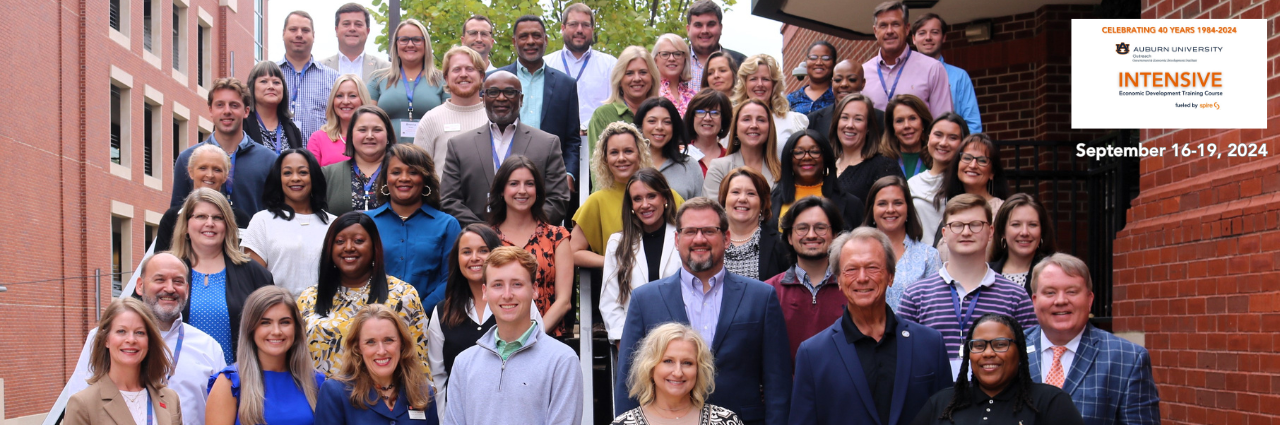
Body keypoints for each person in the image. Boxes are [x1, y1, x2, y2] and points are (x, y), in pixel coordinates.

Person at [616, 198, 791, 425]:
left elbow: (778, 381)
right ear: (677, 240)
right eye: (690, 231)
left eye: (709, 230)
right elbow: (628, 381)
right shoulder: (645, 299)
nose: (699, 239)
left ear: (726, 238)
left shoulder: (761, 297)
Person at [789, 228, 953, 425]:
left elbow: (946, 418)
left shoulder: (930, 344)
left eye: (872, 267)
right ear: (839, 280)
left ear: (891, 276)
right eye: (851, 269)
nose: (862, 278)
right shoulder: (813, 354)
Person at [50, 253, 226, 425]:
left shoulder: (209, 348)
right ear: (140, 286)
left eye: (178, 281)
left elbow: (224, 412)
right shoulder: (101, 338)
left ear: (187, 290)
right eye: (160, 279)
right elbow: (80, 400)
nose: (170, 288)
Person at [897, 194, 1037, 379]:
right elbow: (902, 356)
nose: (966, 232)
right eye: (957, 225)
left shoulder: (1015, 296)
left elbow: (1031, 357)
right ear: (945, 234)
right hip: (935, 401)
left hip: (998, 401)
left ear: (991, 231)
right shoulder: (916, 296)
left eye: (976, 224)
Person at [444, 247, 584, 424]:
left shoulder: (562, 360)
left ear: (534, 289)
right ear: (485, 292)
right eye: (498, 285)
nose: (507, 295)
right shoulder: (464, 363)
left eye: (517, 284)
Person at [1025, 254, 1161, 425]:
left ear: (1089, 300)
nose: (1060, 301)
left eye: (1071, 291)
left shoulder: (1128, 358)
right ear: (1035, 301)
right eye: (1050, 292)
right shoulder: (1011, 349)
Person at [425, 225, 543, 421]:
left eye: (483, 250)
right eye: (466, 252)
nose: (474, 258)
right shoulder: (442, 312)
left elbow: (540, 359)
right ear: (457, 259)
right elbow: (437, 378)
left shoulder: (520, 305)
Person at [296, 212, 428, 377]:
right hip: (320, 399)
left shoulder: (403, 296)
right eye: (340, 242)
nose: (349, 247)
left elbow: (418, 361)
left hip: (384, 400)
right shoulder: (309, 298)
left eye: (358, 241)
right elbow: (295, 360)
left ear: (374, 247)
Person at [439, 71, 570, 226]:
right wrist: (484, 233)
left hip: (529, 244)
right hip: (477, 243)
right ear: (483, 99)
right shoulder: (459, 146)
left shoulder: (547, 144)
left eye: (509, 92)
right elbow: (449, 200)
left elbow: (558, 199)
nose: (501, 98)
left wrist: (523, 230)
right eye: (493, 92)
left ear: (521, 99)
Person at [910, 313, 1084, 425]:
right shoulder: (942, 402)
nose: (988, 353)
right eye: (978, 346)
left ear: (1020, 352)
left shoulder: (1050, 402)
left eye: (1000, 344)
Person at [171, 188, 274, 364]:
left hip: (237, 381)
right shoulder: (167, 270)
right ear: (186, 225)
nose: (209, 223)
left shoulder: (255, 274)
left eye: (218, 218)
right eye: (201, 216)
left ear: (227, 226)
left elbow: (271, 327)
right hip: (180, 381)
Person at [205, 287, 325, 425]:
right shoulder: (229, 383)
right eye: (265, 322)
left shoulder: (317, 383)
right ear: (251, 329)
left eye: (285, 322)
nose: (276, 331)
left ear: (296, 328)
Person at [366, 144, 461, 315]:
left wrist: (416, 311)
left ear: (425, 179)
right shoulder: (367, 222)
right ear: (386, 179)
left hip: (429, 320)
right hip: (373, 319)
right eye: (396, 172)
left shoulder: (447, 224)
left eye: (413, 172)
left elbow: (451, 279)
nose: (404, 178)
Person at [571, 122, 678, 268]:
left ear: (640, 154)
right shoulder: (597, 201)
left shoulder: (666, 194)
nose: (621, 158)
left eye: (628, 151)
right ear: (605, 159)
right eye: (614, 152)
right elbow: (573, 252)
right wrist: (614, 263)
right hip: (620, 285)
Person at [486, 156, 572, 337]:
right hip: (499, 339)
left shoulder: (558, 237)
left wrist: (533, 335)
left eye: (530, 184)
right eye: (514, 184)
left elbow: (564, 300)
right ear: (502, 190)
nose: (522, 191)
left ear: (538, 190)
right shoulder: (487, 238)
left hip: (548, 338)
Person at [494, 15, 582, 190]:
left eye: (536, 35)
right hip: (502, 172)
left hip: (551, 176)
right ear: (514, 41)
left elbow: (572, 139)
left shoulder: (566, 84)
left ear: (546, 40)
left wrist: (569, 174)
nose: (530, 41)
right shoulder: (495, 80)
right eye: (523, 36)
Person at [314, 304, 439, 425]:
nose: (381, 351)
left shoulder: (423, 393)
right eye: (370, 342)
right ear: (357, 348)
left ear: (402, 343)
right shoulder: (335, 393)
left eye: (388, 340)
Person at [65, 298, 182, 425]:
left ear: (149, 341)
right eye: (121, 331)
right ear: (106, 340)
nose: (131, 340)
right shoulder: (83, 404)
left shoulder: (170, 399)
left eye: (139, 332)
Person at [171, 78, 278, 214]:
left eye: (234, 105)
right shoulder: (188, 158)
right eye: (220, 105)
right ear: (210, 110)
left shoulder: (269, 161)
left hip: (252, 235)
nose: (227, 111)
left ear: (246, 111)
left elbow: (276, 215)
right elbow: (176, 215)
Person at [600, 169, 683, 341]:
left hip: (680, 338)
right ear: (631, 205)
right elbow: (610, 301)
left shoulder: (683, 238)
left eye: (651, 196)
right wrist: (623, 342)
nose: (645, 204)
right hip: (634, 340)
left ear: (665, 198)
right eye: (637, 199)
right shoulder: (617, 243)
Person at [242, 149, 336, 297]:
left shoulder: (333, 224)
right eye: (287, 173)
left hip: (325, 315)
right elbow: (252, 280)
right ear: (278, 179)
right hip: (276, 313)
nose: (295, 178)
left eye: (303, 172)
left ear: (314, 177)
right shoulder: (262, 221)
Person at [763, 196, 845, 361]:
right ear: (789, 237)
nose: (811, 235)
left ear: (835, 235)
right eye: (802, 228)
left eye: (820, 227)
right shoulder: (768, 292)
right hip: (788, 386)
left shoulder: (851, 287)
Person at [612, 323, 743, 424]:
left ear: (698, 370)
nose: (678, 372)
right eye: (668, 361)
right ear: (651, 367)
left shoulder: (725, 420)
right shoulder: (624, 423)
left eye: (687, 363)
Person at [861, 1, 952, 120]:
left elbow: (943, 122)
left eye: (895, 24)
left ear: (907, 28)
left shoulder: (932, 69)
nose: (889, 31)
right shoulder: (863, 72)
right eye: (883, 25)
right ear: (875, 31)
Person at [861, 176, 941, 310]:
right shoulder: (856, 253)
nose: (890, 209)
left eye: (898, 203)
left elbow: (936, 308)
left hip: (915, 330)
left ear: (908, 208)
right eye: (882, 204)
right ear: (872, 210)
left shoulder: (928, 256)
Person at [155, 144, 253, 253]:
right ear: (191, 172)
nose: (210, 175)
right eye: (203, 168)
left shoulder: (240, 219)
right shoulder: (172, 218)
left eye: (217, 170)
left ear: (225, 176)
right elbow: (159, 262)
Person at [413, 46, 488, 179]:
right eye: (457, 69)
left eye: (470, 69)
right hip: (442, 199)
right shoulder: (431, 119)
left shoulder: (494, 117)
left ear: (481, 76)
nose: (463, 74)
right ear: (446, 78)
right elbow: (418, 172)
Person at [368, 19, 446, 144]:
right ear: (396, 44)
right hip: (387, 156)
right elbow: (366, 121)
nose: (410, 44)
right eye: (404, 39)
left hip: (429, 155)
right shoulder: (378, 79)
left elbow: (448, 121)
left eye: (416, 40)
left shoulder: (442, 80)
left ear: (426, 45)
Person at [545, 3, 620, 133]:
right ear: (563, 28)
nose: (579, 30)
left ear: (592, 29)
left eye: (585, 25)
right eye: (573, 24)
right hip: (556, 142)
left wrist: (588, 127)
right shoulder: (546, 64)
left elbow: (617, 106)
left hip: (599, 140)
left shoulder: (610, 65)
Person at [931, 132, 1009, 256]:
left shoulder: (1003, 212)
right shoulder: (949, 210)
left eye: (982, 160)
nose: (973, 165)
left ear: (992, 173)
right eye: (967, 158)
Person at [770, 130, 864, 229]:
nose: (806, 157)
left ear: (826, 158)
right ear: (788, 159)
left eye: (815, 152)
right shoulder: (769, 202)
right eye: (798, 152)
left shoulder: (852, 204)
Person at [911, 13, 982, 135]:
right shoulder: (904, 75)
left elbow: (973, 125)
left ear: (944, 37)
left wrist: (962, 151)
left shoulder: (960, 77)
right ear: (913, 38)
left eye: (934, 32)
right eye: (922, 33)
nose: (928, 37)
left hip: (949, 149)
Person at [906, 112, 968, 246]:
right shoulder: (912, 183)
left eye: (952, 137)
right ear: (928, 138)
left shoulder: (966, 183)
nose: (943, 143)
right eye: (938, 135)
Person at [586, 45, 660, 157]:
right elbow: (597, 166)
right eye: (629, 73)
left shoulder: (661, 113)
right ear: (619, 79)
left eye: (643, 72)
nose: (637, 78)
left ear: (652, 77)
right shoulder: (602, 116)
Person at [321, 105, 395, 216]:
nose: (369, 136)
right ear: (351, 135)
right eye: (362, 130)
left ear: (388, 135)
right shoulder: (327, 174)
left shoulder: (402, 173)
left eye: (377, 130)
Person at [716, 167, 787, 281]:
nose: (742, 199)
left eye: (751, 193)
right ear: (724, 199)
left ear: (762, 202)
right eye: (735, 192)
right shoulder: (709, 240)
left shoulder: (781, 244)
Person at [278, 11, 341, 139]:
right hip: (277, 156)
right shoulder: (269, 77)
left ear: (313, 35)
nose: (299, 35)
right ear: (283, 33)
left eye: (305, 30)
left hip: (319, 157)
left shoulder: (333, 79)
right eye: (293, 29)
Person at [829, 93, 901, 202]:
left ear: (868, 127)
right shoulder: (825, 165)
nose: (849, 125)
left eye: (858, 119)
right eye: (844, 117)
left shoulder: (884, 166)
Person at [703, 99, 780, 199]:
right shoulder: (719, 168)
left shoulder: (782, 171)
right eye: (746, 119)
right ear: (736, 127)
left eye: (761, 120)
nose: (754, 125)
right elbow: (713, 211)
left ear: (770, 128)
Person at [733, 54, 809, 154]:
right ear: (744, 84)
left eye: (765, 79)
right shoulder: (733, 121)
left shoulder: (794, 121)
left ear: (774, 84)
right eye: (753, 79)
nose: (759, 84)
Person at [635, 97, 702, 200]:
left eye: (667, 122)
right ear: (640, 126)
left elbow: (701, 208)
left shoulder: (690, 165)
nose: (659, 127)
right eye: (652, 121)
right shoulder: (630, 163)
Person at [989, 194, 1057, 294]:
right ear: (1003, 231)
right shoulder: (985, 274)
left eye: (1032, 225)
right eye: (1016, 224)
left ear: (1042, 231)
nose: (1024, 232)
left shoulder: (1056, 272)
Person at [307, 74, 372, 166]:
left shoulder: (374, 137)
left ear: (363, 99)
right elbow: (312, 177)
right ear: (332, 101)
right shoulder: (318, 138)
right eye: (339, 96)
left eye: (352, 96)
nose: (345, 101)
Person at [685, 0, 747, 92]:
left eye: (711, 24)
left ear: (720, 28)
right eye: (698, 25)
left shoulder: (741, 63)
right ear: (688, 29)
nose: (704, 31)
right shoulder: (675, 62)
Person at [319, 3, 390, 83]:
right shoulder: (319, 68)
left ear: (367, 31)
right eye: (346, 24)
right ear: (336, 30)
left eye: (358, 24)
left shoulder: (386, 69)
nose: (352, 28)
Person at [807, 59, 881, 134]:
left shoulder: (880, 119)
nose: (844, 84)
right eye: (838, 80)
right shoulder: (812, 121)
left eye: (852, 80)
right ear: (832, 83)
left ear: (863, 83)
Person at [245, 61, 305, 153]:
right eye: (264, 81)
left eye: (276, 82)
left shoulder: (292, 129)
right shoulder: (242, 124)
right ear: (252, 87)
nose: (271, 86)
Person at [881, 94, 935, 179]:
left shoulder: (936, 158)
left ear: (923, 123)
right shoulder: (881, 162)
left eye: (912, 118)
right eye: (899, 121)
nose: (906, 125)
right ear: (892, 128)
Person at [683, 89, 733, 174]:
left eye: (715, 113)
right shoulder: (680, 156)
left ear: (723, 120)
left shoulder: (731, 159)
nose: (707, 118)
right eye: (700, 112)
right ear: (692, 118)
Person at [786, 41, 838, 115]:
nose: (819, 62)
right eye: (813, 58)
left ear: (834, 64)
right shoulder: (791, 99)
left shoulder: (838, 95)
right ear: (806, 62)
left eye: (825, 58)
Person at [652, 33, 698, 115]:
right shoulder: (650, 91)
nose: (671, 59)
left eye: (677, 54)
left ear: (685, 59)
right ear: (655, 60)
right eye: (665, 54)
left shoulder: (694, 97)